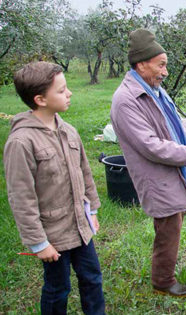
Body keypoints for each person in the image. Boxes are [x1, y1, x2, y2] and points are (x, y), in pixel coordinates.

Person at [110, 29, 186, 297]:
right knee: (169, 226)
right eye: (161, 65)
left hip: (173, 170)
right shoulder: (126, 101)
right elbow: (149, 145)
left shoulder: (154, 90)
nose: (165, 72)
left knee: (174, 222)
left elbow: (177, 123)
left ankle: (165, 271)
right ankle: (162, 281)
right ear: (141, 64)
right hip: (156, 174)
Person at [4, 61, 105, 314]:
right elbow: (21, 197)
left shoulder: (69, 131)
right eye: (61, 91)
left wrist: (91, 210)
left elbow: (85, 173)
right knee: (58, 288)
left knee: (92, 279)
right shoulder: (21, 142)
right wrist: (39, 243)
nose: (69, 93)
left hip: (81, 228)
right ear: (40, 99)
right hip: (53, 235)